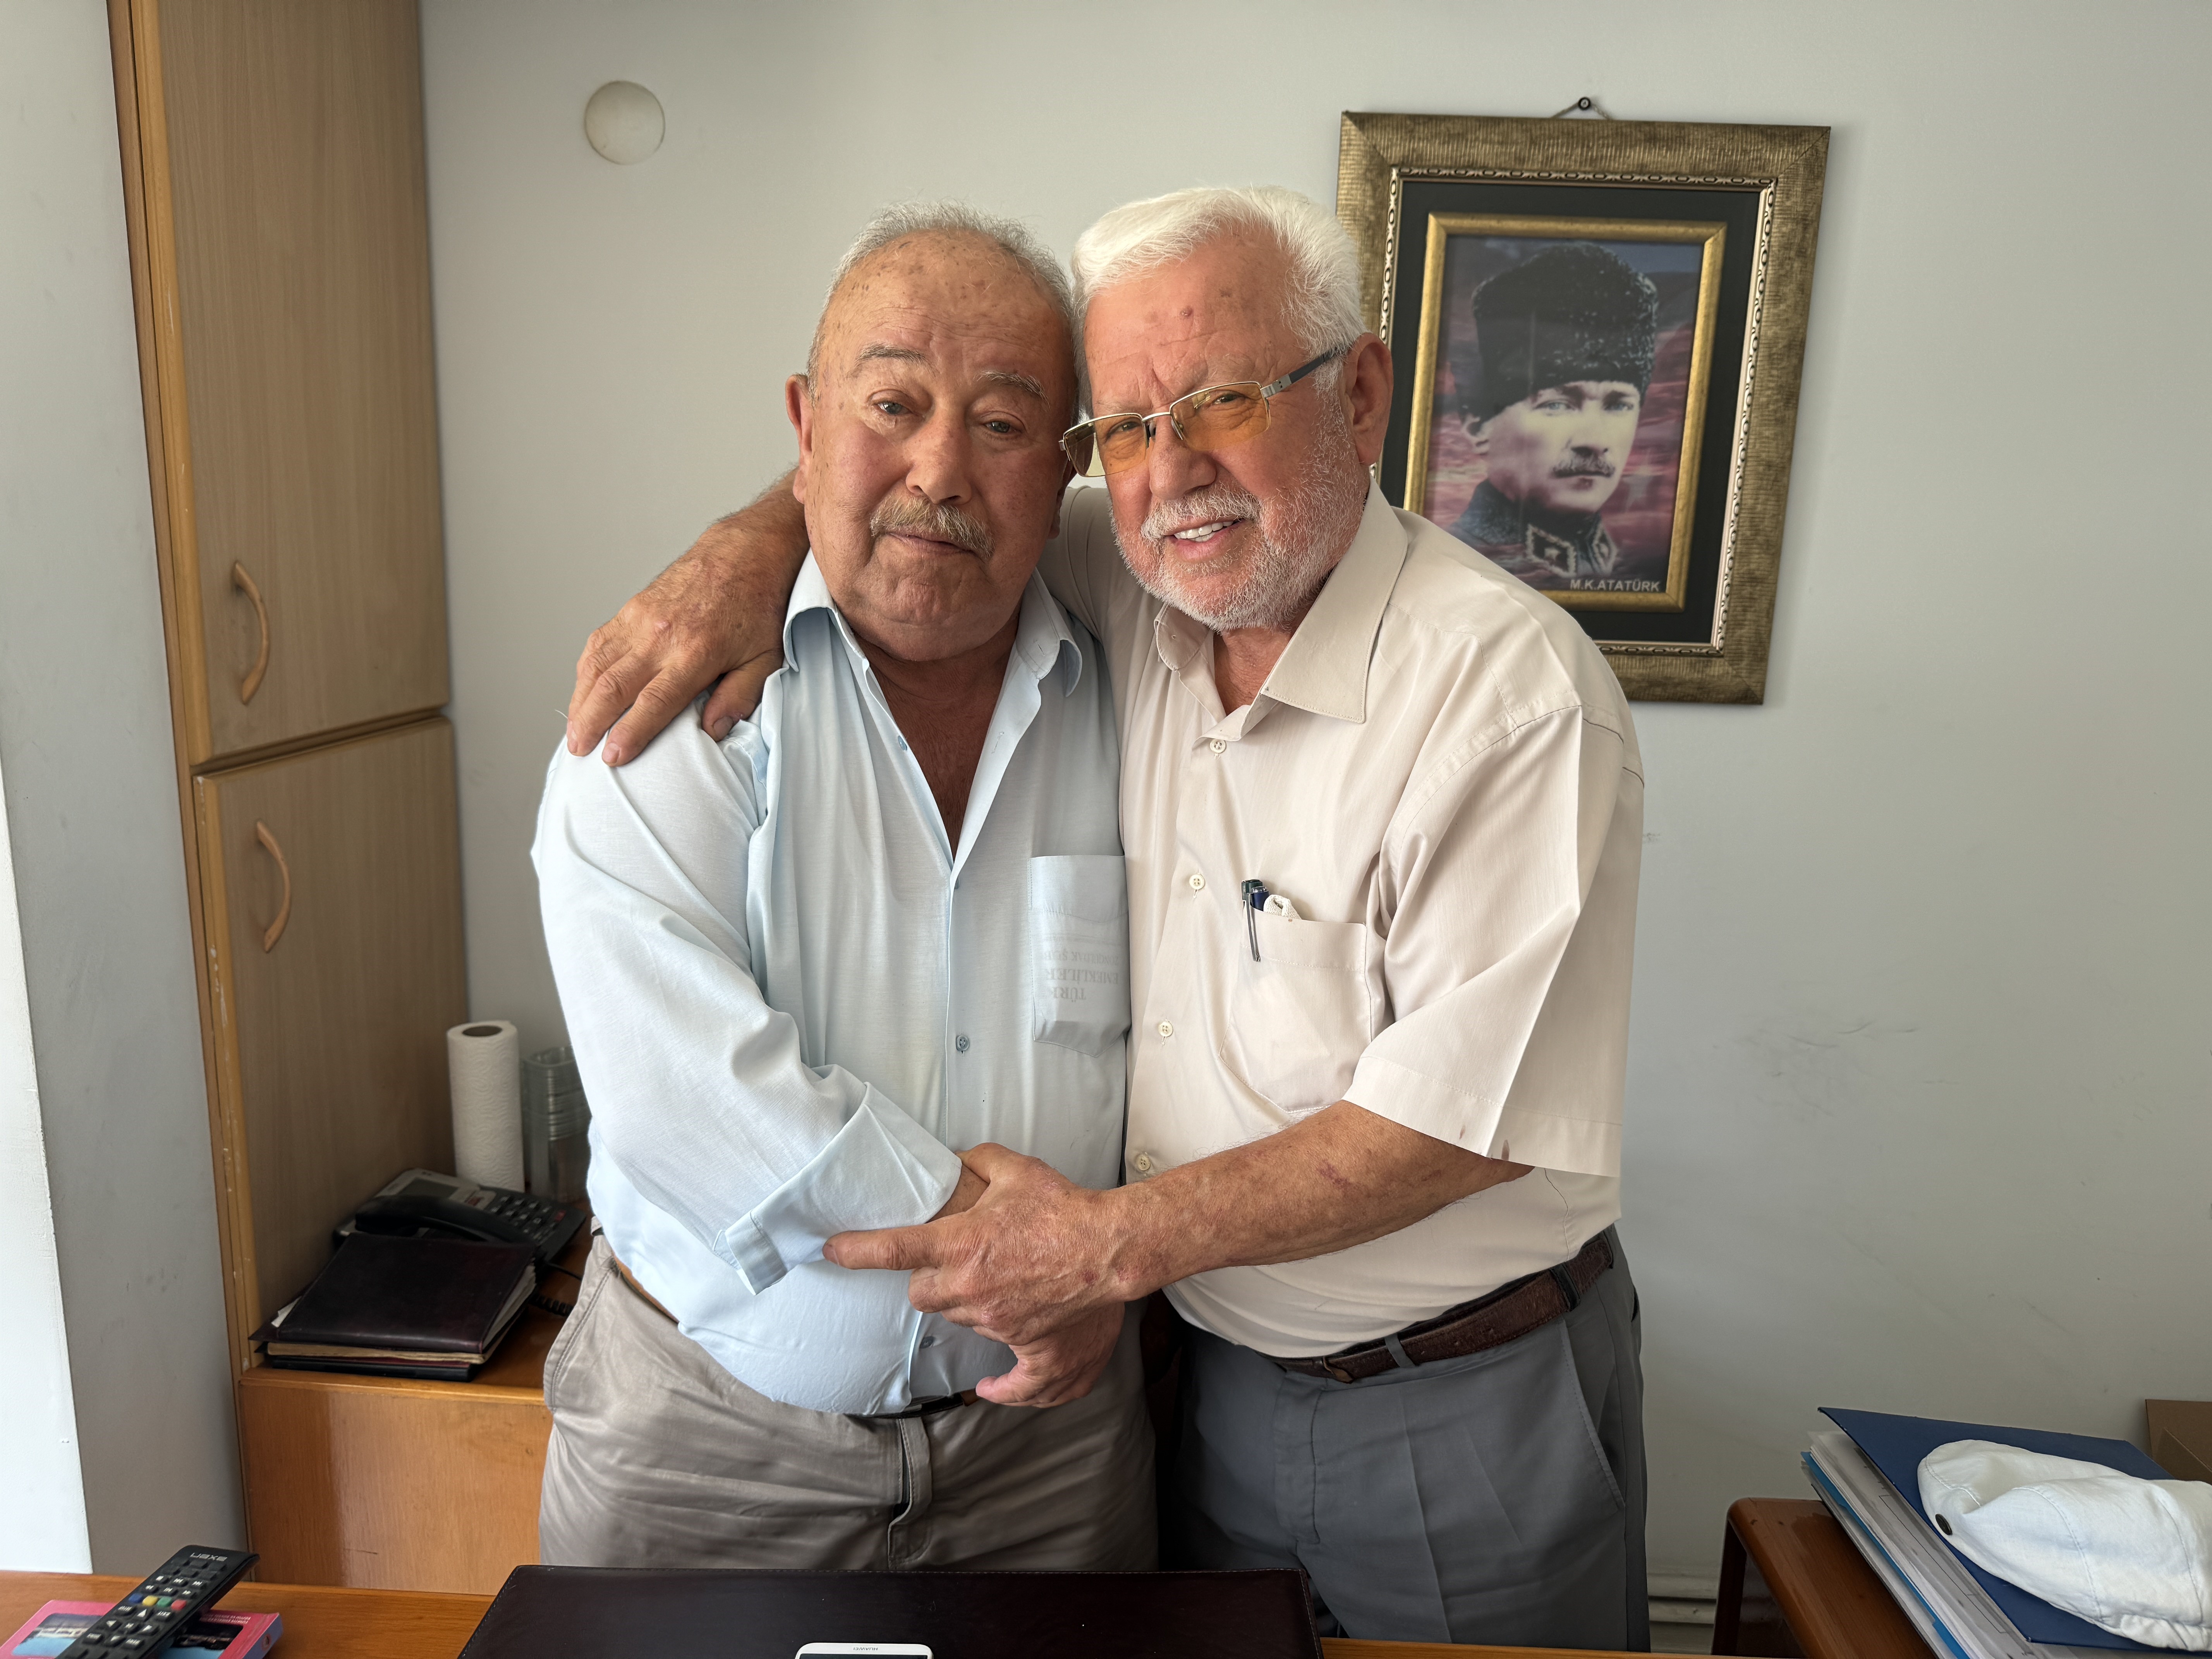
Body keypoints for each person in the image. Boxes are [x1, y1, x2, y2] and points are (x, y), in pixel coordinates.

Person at [566, 185, 1650, 1650]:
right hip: (1161, 1394)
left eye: (1223, 402)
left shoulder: (1504, 693)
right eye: (1129, 427)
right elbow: (916, 495)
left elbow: (1459, 1121)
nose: (1172, 470)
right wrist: (745, 541)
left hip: (1445, 1401)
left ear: (1360, 395)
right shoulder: (1131, 585)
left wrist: (1100, 1251)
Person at [529, 202, 1154, 1573]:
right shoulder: (673, 703)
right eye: (892, 404)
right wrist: (1027, 1258)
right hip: (702, 1451)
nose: (940, 468)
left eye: (1003, 422)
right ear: (804, 424)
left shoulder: (1140, 675)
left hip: (1048, 1461)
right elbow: (682, 1090)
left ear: (1063, 469)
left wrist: (1100, 1265)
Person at [1449, 241, 1663, 591]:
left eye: (1618, 404)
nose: (1595, 441)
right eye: (1558, 405)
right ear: (1478, 425)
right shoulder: (1452, 571)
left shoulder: (1632, 568)